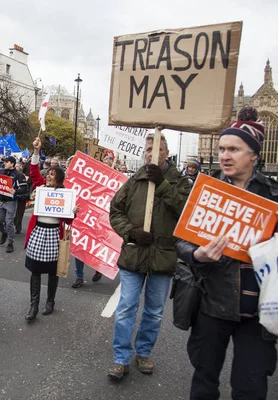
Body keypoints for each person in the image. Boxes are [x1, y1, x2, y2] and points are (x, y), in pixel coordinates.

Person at [175, 106, 278, 399]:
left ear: (254, 155)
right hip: (212, 304)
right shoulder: (207, 191)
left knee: (250, 387)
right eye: (222, 148)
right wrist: (196, 256)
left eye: (234, 149)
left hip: (260, 312)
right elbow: (181, 243)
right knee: (204, 382)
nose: (224, 155)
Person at [107, 134, 191, 380]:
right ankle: (120, 358)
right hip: (134, 253)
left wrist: (163, 185)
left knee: (154, 312)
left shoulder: (179, 181)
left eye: (156, 149)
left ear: (166, 152)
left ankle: (144, 352)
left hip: (163, 257)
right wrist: (131, 231)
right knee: (126, 308)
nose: (150, 153)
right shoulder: (135, 180)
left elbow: (186, 212)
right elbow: (115, 211)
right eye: (147, 149)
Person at [24, 137, 78, 322]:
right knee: (35, 271)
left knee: (53, 271)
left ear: (60, 178)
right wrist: (37, 152)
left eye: (52, 174)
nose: (48, 175)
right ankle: (33, 306)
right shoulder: (40, 187)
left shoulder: (65, 195)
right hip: (39, 232)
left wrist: (73, 212)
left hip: (54, 233)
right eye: (48, 173)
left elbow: (69, 221)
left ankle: (50, 301)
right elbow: (33, 172)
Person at [0, 156, 28, 253]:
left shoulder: (19, 175)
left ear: (12, 164)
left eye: (7, 162)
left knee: (9, 222)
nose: (4, 163)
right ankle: (4, 233)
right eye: (4, 162)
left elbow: (24, 189)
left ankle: (10, 243)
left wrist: (15, 191)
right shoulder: (0, 171)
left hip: (11, 202)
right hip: (0, 200)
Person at [14, 163, 30, 234]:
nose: (16, 167)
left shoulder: (22, 176)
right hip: (14, 197)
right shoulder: (12, 175)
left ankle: (18, 227)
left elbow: (25, 187)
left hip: (21, 197)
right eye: (15, 166)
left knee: (20, 212)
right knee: (14, 212)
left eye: (17, 166)